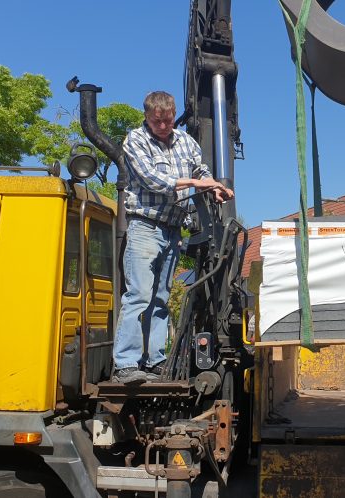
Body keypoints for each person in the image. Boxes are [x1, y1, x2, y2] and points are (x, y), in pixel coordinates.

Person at [112, 91, 233, 384]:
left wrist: (212, 186)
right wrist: (195, 182)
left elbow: (200, 169)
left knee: (161, 298)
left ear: (173, 113)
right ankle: (125, 364)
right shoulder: (135, 141)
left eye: (168, 121)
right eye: (158, 122)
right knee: (139, 294)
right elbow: (154, 181)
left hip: (172, 228)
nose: (164, 127)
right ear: (147, 117)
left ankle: (155, 361)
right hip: (144, 226)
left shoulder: (186, 142)